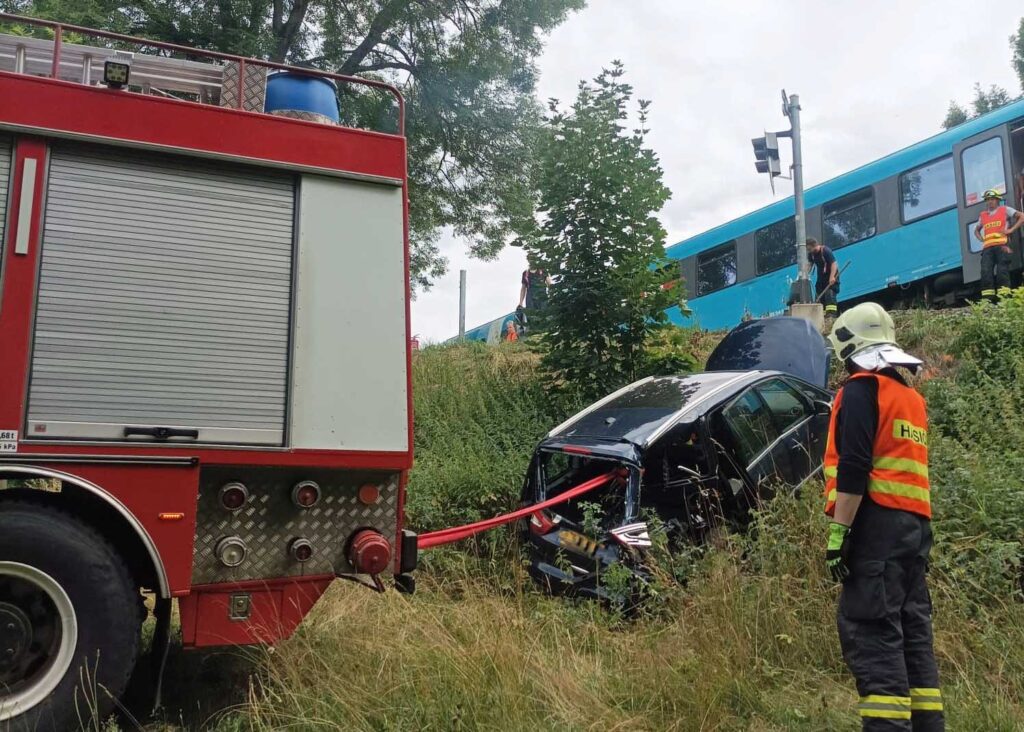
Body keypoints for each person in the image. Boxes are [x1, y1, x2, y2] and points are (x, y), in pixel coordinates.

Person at [823, 302, 943, 731]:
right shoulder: (911, 397)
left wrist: (839, 533)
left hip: (876, 529)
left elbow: (854, 468)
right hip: (914, 531)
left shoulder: (860, 390)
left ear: (848, 346)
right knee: (912, 633)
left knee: (872, 632)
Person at [974, 189, 1023, 300]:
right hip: (987, 249)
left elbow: (1022, 216)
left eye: (992, 199)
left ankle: (1004, 298)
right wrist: (981, 239)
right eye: (987, 200)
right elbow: (976, 230)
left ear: (997, 200)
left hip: (1002, 246)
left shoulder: (1005, 210)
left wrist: (1011, 230)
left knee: (1002, 272)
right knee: (986, 272)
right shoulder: (983, 215)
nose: (989, 202)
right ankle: (988, 300)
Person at [807, 237, 840, 316]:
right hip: (821, 278)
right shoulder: (811, 254)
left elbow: (834, 264)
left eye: (809, 249)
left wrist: (832, 277)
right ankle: (821, 315)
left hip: (831, 276)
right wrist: (805, 274)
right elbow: (810, 265)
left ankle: (831, 315)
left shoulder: (825, 251)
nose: (808, 251)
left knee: (830, 294)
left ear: (814, 245)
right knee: (819, 296)